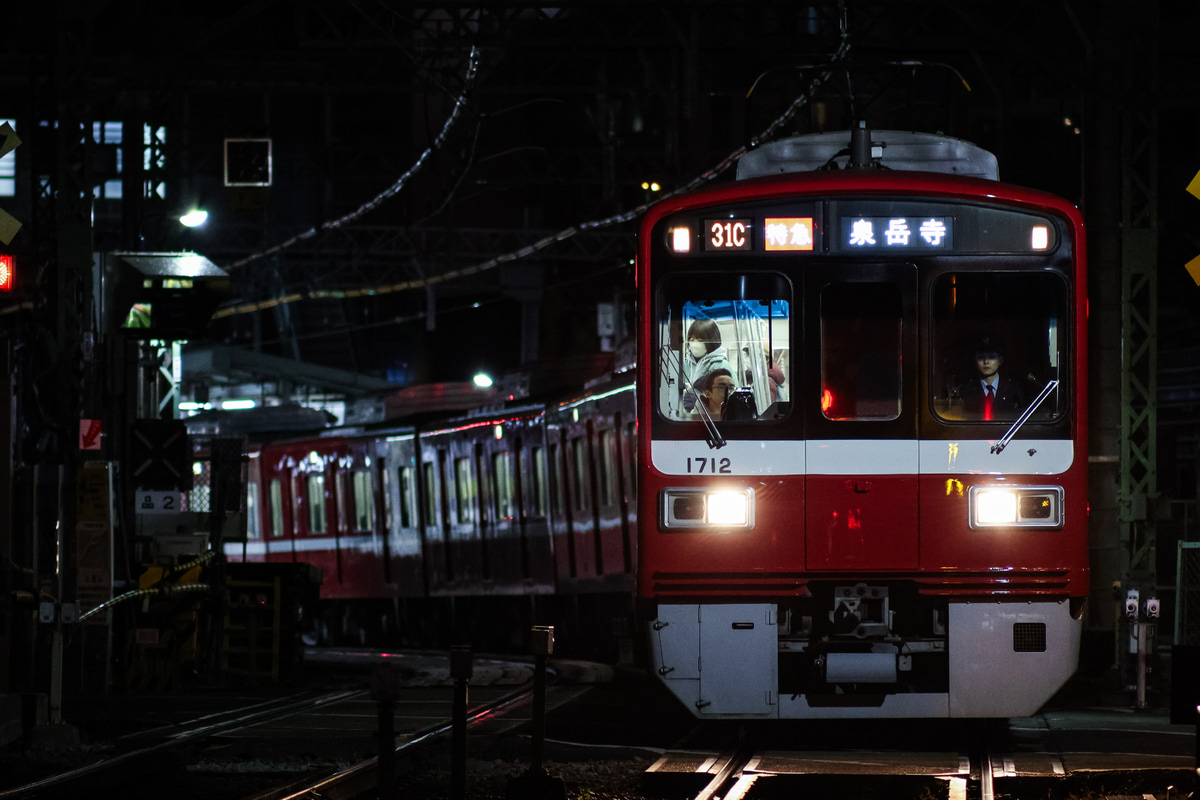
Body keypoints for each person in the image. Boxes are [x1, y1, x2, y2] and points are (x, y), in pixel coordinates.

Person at [956, 334, 1027, 420]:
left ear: (1000, 360)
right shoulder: (966, 390)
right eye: (981, 358)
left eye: (992, 357)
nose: (986, 362)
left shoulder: (1013, 389)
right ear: (975, 361)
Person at [682, 318, 732, 413]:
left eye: (700, 340)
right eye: (691, 340)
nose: (694, 344)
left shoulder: (721, 366)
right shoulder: (686, 364)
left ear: (712, 341)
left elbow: (729, 400)